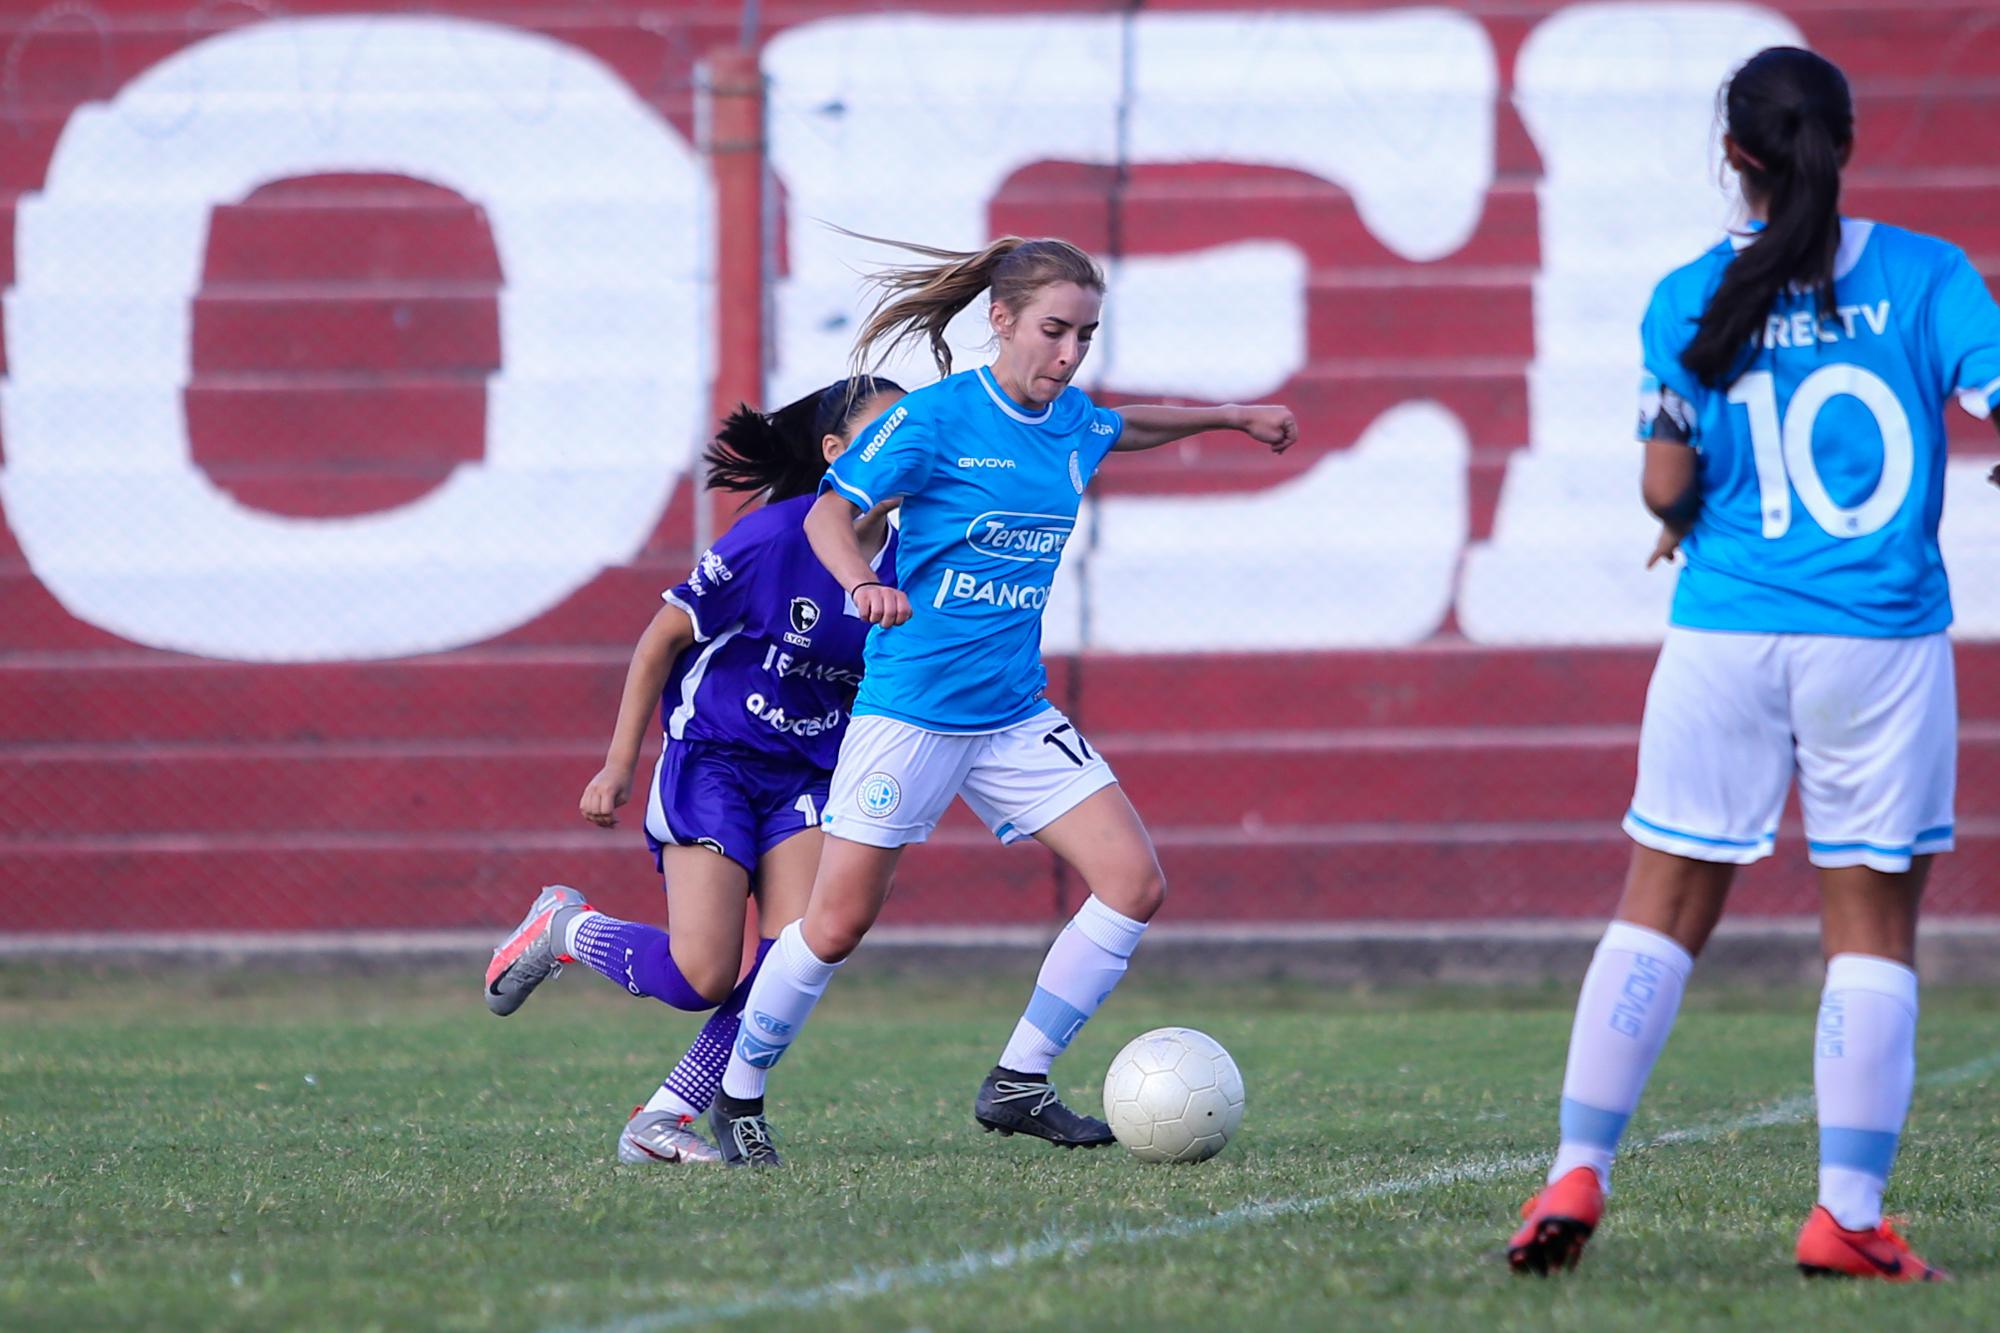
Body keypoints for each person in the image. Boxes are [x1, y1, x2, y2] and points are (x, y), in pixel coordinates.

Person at [1507, 46, 2000, 1281]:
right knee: (1867, 926)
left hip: (1721, 633)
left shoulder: (1684, 293)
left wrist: (1680, 517)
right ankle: (1843, 1213)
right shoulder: (1928, 276)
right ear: (1842, 141)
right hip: (1875, 643)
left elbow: (1663, 481)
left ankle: (1576, 1164)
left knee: (1659, 905)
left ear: (1735, 155)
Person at [701, 234, 1298, 1166]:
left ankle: (1019, 1078)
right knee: (834, 924)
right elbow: (827, 510)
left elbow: (1121, 425)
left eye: (1086, 336)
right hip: (910, 711)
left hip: (1014, 714)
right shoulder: (936, 419)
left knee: (1134, 883)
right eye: (1054, 331)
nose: (1068, 355)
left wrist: (1231, 416)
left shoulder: (1070, 424)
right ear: (1002, 320)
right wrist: (862, 580)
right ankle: (736, 1096)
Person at [482, 376, 905, 1165]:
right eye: (887, 434)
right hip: (714, 758)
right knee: (702, 973)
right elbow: (660, 639)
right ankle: (564, 927)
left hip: (809, 775)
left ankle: (664, 1117)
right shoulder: (776, 538)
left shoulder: (915, 555)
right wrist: (617, 766)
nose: (908, 447)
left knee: (792, 962)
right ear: (837, 454)